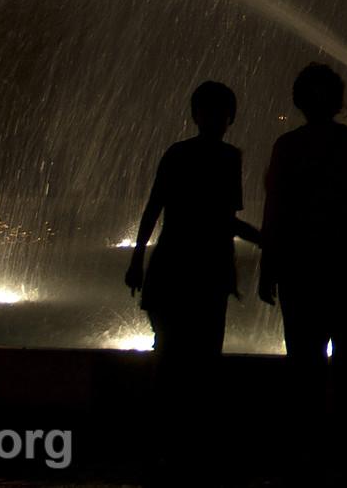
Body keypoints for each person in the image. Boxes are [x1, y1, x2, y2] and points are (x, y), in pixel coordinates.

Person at [258, 63, 347, 438]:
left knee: (305, 356)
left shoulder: (288, 146)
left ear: (299, 101)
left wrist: (267, 268)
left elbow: (275, 212)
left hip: (301, 262)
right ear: (340, 101)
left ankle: (310, 441)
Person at [124, 80, 261, 451]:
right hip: (196, 268)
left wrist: (138, 259)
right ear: (198, 115)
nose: (216, 118)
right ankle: (184, 440)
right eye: (210, 111)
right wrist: (266, 240)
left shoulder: (195, 155)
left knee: (176, 354)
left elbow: (161, 209)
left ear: (229, 117)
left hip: (186, 265)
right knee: (192, 355)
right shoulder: (218, 157)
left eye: (221, 112)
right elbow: (219, 219)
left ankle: (168, 439)